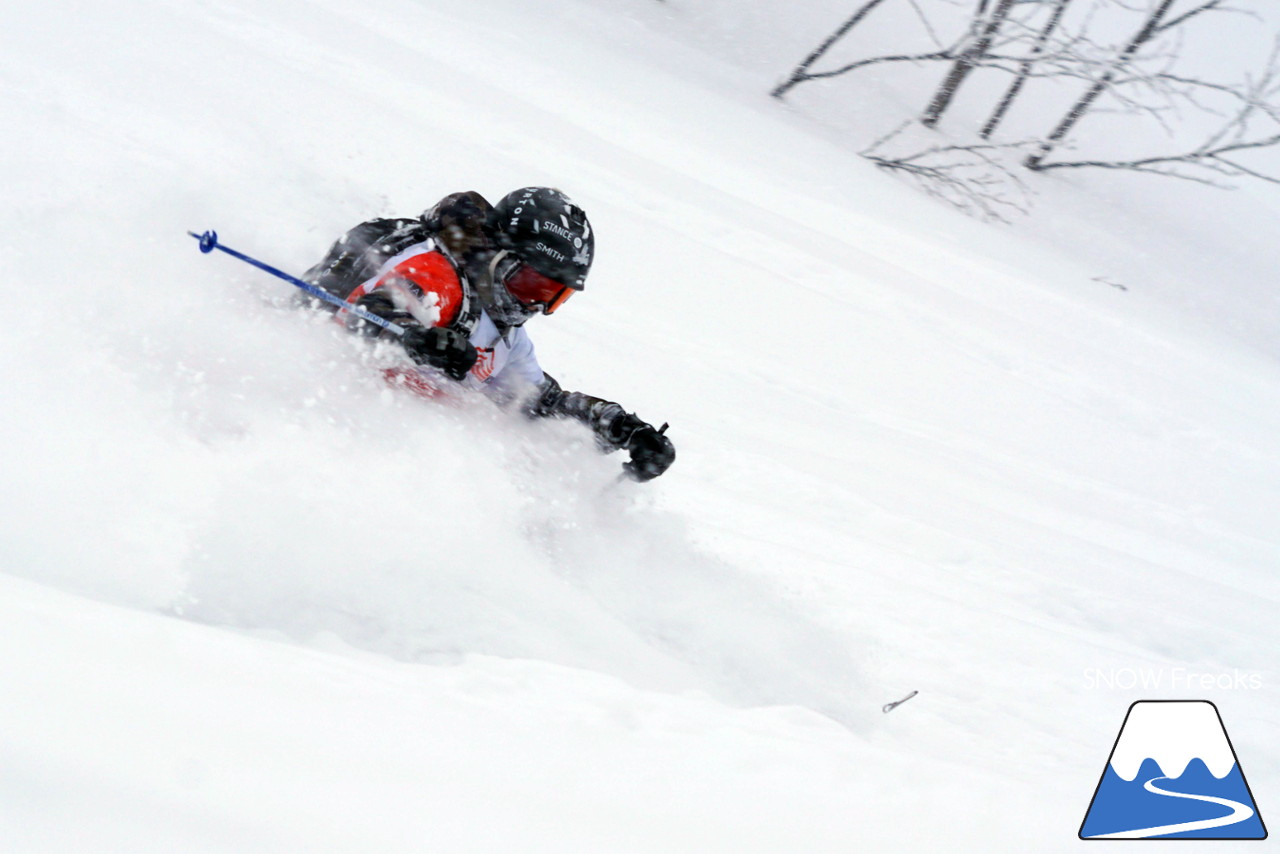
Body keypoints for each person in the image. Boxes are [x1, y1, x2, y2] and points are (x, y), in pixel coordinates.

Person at [301, 187, 675, 482]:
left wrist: (621, 428)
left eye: (552, 296)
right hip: (322, 411)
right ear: (500, 256)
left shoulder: (506, 337)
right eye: (529, 284)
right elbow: (369, 311)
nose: (532, 304)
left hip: (396, 447)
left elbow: (539, 404)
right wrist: (420, 338)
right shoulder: (438, 274)